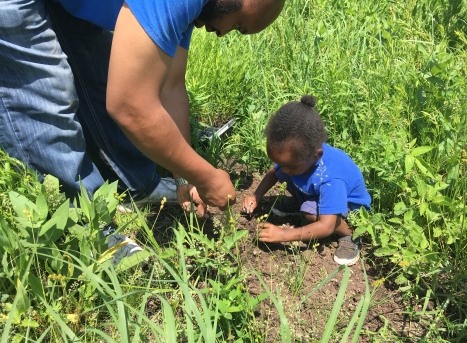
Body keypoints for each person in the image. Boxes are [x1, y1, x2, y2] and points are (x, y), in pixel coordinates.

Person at [0, 0, 285, 263]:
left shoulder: (196, 8)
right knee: (47, 92)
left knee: (101, 70)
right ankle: (80, 224)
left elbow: (171, 87)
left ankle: (133, 185)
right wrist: (206, 176)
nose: (223, 34)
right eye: (237, 26)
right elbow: (130, 106)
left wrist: (185, 176)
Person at [242, 95, 371, 266]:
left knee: (309, 212)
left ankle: (349, 234)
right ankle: (301, 203)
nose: (284, 169)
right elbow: (274, 172)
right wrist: (256, 196)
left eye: (290, 166)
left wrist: (283, 234)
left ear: (317, 154)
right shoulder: (299, 159)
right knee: (291, 176)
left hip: (349, 209)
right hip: (319, 192)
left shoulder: (331, 178)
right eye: (282, 164)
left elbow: (325, 226)